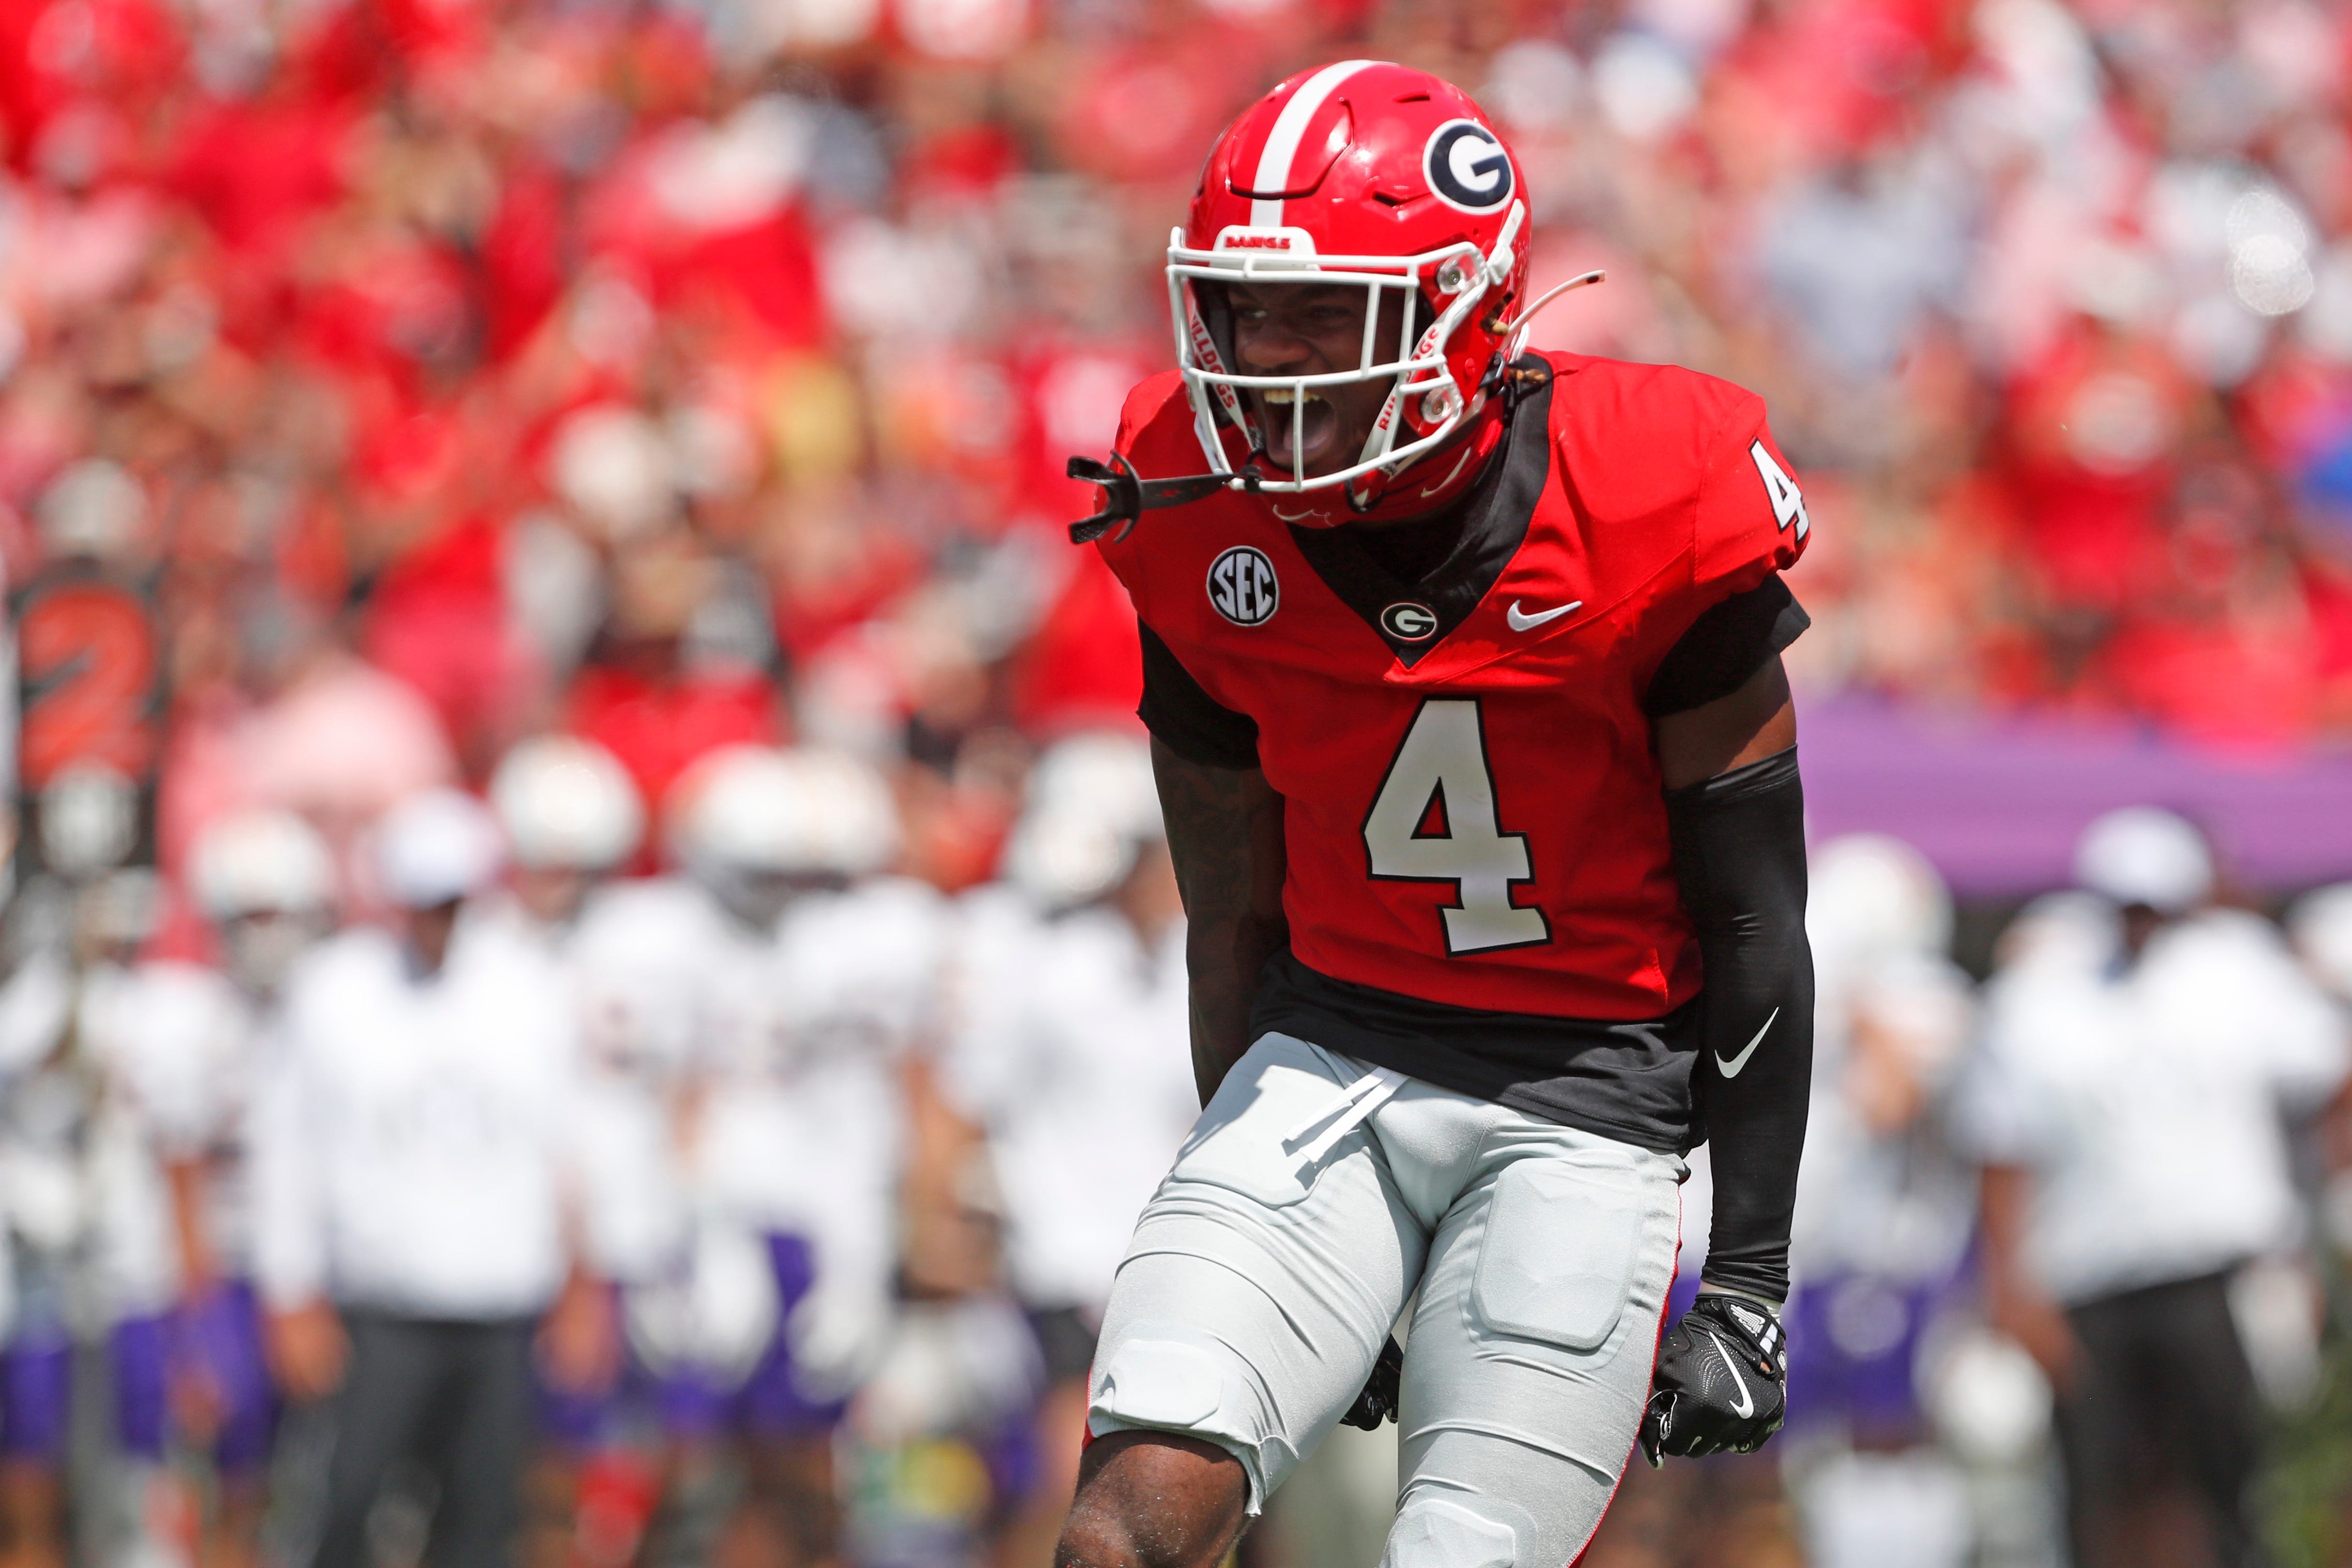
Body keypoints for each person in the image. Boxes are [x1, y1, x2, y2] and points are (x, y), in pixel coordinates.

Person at [1055, 62, 1816, 1567]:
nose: (1271, 361)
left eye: (1327, 315)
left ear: (1470, 309)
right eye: (1244, 311)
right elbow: (1231, 911)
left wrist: (1747, 1276)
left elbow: (1753, 916)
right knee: (1115, 1540)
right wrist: (1242, 1137)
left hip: (1586, 1107)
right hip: (1329, 1054)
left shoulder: (1648, 491)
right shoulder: (1186, 507)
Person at [1958, 808, 2349, 1568]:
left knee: (2228, 1478)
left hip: (2215, 1278)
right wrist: (2010, 1287)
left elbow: (2329, 1077)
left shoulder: (2239, 977)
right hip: (2090, 1286)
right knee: (2097, 1489)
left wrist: (2305, 1223)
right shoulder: (2046, 997)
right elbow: (2003, 1148)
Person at [250, 788, 616, 1568]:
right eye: (420, 902)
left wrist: (584, 1279)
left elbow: (571, 1144)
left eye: (450, 902)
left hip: (501, 1298)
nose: (435, 921)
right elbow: (289, 1147)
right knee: (347, 1502)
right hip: (382, 1304)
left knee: (485, 1515)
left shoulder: (529, 989)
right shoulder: (335, 990)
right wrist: (290, 1291)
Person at [658, 745, 941, 1567]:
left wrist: (865, 1247)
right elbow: (664, 1104)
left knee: (813, 1465)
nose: (787, 894)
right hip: (714, 1219)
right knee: (689, 1465)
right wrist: (692, 1229)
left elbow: (870, 1105)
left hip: (814, 1222)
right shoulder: (668, 939)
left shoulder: (860, 943)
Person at [935, 734, 1198, 1559]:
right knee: (1063, 1487)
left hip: (1165, 1256)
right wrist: (952, 1222)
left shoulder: (1182, 961)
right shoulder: (1038, 961)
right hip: (1058, 1255)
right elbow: (959, 1102)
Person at [97, 810, 337, 1568]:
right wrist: (197, 1331)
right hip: (204, 1284)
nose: (266, 935)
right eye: (249, 916)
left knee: (289, 1502)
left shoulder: (337, 1009)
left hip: (305, 1278)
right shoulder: (184, 1016)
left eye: (280, 914)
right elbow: (182, 1177)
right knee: (182, 1507)